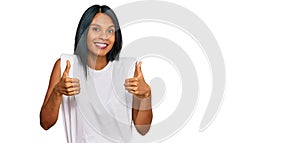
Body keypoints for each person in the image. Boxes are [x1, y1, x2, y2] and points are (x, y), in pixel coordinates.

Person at [40, 4, 153, 143]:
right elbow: (45, 123)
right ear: (84, 31)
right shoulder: (66, 66)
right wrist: (57, 91)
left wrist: (146, 96)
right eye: (96, 29)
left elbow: (143, 129)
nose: (104, 36)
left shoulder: (128, 69)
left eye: (110, 31)